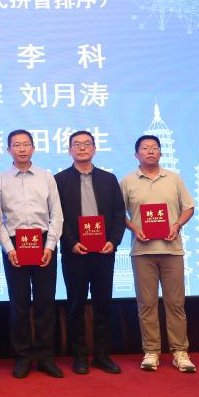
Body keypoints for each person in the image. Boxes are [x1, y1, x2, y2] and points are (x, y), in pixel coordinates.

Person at [120, 134, 197, 373]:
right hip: (142, 252)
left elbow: (189, 207)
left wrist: (177, 226)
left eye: (154, 147)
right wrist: (135, 229)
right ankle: (151, 351)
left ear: (161, 153)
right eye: (145, 148)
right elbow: (117, 213)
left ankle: (180, 351)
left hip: (172, 250)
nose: (150, 151)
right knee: (146, 304)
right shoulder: (128, 181)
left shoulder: (173, 178)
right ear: (136, 154)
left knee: (175, 303)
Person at [0, 129, 65, 379]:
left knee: (45, 303)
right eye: (16, 145)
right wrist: (9, 249)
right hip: (15, 245)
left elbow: (57, 215)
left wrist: (50, 246)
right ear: (8, 150)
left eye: (26, 144)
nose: (22, 149)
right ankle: (23, 356)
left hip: (43, 242)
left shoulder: (46, 177)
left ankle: (45, 357)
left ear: (33, 148)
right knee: (19, 304)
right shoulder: (0, 180)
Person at [55, 130, 126, 375]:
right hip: (75, 253)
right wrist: (71, 242)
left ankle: (102, 355)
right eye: (77, 144)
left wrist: (113, 241)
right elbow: (57, 217)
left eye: (87, 144)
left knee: (102, 305)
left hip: (104, 252)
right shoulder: (59, 180)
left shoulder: (108, 179)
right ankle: (79, 356)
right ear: (69, 150)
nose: (82, 148)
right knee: (75, 305)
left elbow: (119, 214)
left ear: (95, 149)